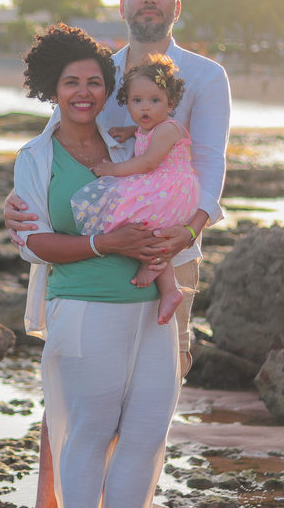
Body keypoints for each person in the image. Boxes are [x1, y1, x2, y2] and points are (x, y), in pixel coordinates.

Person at [0, 0, 230, 508]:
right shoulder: (98, 69)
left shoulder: (205, 76)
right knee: (74, 392)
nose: (150, 0)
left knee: (148, 394)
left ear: (177, 6)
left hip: (170, 250)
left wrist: (186, 233)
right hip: (87, 249)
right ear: (123, 4)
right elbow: (54, 147)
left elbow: (211, 162)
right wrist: (17, 204)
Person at [6, 24, 180, 508]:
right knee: (87, 431)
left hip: (151, 311)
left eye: (95, 82)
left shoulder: (130, 144)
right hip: (84, 309)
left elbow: (174, 190)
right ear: (52, 89)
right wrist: (107, 244)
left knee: (147, 431)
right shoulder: (37, 157)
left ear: (108, 90)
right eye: (71, 82)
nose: (84, 92)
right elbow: (33, 242)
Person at [71, 54, 198, 326]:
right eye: (137, 101)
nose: (145, 107)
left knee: (137, 220)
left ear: (171, 104)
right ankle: (168, 287)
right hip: (163, 187)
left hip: (169, 189)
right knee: (147, 230)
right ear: (126, 103)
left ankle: (161, 279)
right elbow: (147, 134)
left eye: (155, 100)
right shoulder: (149, 128)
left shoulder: (168, 129)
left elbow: (148, 162)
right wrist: (132, 130)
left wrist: (113, 169)